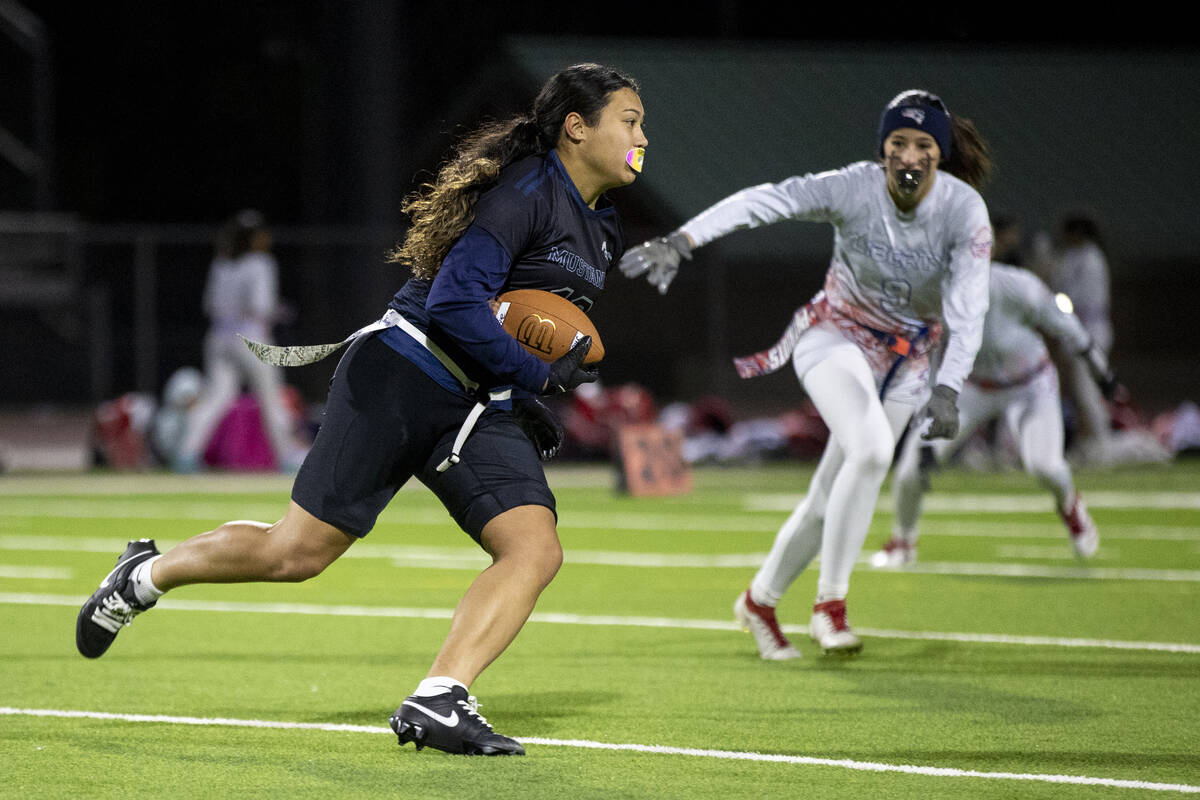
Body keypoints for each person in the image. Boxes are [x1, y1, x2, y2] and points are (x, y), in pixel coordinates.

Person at [75, 63, 648, 756]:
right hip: (405, 373)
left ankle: (439, 697)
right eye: (630, 120)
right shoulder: (525, 193)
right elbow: (454, 304)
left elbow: (518, 319)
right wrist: (533, 372)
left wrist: (525, 393)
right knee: (297, 554)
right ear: (577, 128)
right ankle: (143, 575)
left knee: (534, 548)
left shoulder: (603, 228)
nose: (641, 136)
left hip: (476, 406)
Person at [621, 90, 994, 659]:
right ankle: (830, 606)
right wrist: (684, 238)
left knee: (828, 498)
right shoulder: (853, 187)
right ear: (882, 150)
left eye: (923, 144)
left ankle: (760, 600)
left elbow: (971, 308)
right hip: (835, 340)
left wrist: (948, 386)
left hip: (911, 362)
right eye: (898, 143)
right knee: (870, 452)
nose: (910, 155)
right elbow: (764, 201)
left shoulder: (964, 210)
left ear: (940, 153)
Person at [870, 260, 1115, 569]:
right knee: (913, 466)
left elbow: (1066, 326)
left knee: (1045, 467)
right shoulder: (935, 291)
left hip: (1028, 385)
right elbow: (931, 355)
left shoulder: (1016, 285)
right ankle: (903, 543)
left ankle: (1070, 506)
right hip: (971, 388)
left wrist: (1102, 374)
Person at [174, 210, 302, 473]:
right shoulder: (261, 263)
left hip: (219, 336)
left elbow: (209, 305)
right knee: (271, 398)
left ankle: (186, 455)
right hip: (251, 337)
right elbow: (261, 305)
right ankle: (287, 457)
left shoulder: (221, 263)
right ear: (255, 237)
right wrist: (280, 311)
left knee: (216, 397)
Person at [1044, 213, 1114, 464]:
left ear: (1078, 233)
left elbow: (1077, 299)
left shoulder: (1092, 259)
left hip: (1091, 330)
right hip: (1075, 329)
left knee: (1088, 391)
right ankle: (1087, 443)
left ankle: (1103, 444)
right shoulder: (1073, 257)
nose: (1065, 238)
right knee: (1077, 393)